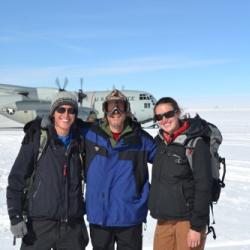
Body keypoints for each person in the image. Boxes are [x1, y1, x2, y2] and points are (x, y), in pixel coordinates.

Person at [6, 91, 89, 250]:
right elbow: (17, 179)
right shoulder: (37, 138)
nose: (66, 114)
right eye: (61, 109)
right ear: (53, 112)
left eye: (71, 110)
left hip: (72, 227)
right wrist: (15, 216)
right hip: (39, 227)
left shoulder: (81, 141)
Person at [81, 89, 156, 250]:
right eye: (111, 107)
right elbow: (63, 128)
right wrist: (40, 127)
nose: (116, 111)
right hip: (99, 216)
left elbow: (166, 159)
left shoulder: (141, 139)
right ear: (105, 110)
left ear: (127, 110)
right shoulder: (89, 134)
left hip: (130, 216)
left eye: (120, 106)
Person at [148, 97, 212, 250]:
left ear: (178, 113)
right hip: (163, 220)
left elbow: (204, 187)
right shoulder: (159, 142)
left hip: (187, 221)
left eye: (168, 114)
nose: (164, 120)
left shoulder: (195, 143)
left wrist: (196, 227)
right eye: (159, 117)